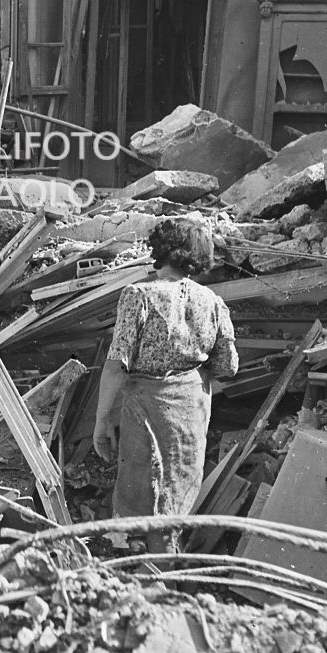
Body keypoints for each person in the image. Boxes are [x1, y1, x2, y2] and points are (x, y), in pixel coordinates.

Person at [92, 217, 237, 554]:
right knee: (176, 494)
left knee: (139, 496)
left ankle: (137, 574)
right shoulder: (213, 302)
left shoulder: (138, 295)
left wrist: (101, 421)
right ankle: (166, 569)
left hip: (147, 410)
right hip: (191, 411)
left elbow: (115, 367)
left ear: (161, 250)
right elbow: (228, 367)